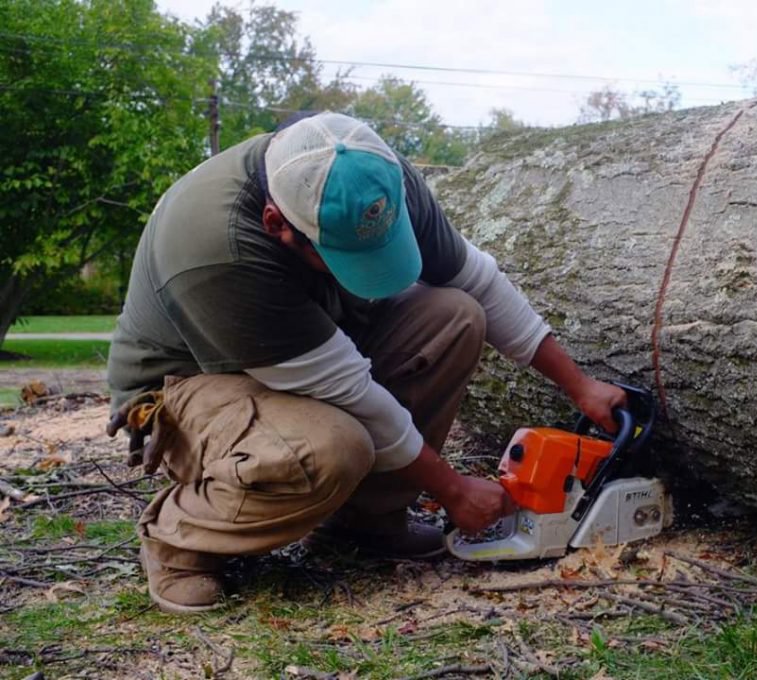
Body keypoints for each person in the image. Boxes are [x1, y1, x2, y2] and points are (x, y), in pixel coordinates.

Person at [106, 111, 625, 615]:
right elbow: (353, 392)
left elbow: (478, 282)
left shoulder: (372, 176)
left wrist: (579, 386)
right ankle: (180, 539)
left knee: (456, 316)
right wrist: (452, 489)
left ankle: (368, 520)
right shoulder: (220, 250)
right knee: (331, 447)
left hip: (308, 347)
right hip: (189, 384)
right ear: (277, 225)